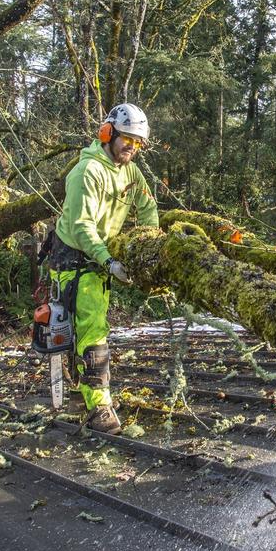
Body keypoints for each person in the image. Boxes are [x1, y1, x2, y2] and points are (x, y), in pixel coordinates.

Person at [53, 103, 159, 433]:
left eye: (137, 142)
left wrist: (151, 244)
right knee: (92, 331)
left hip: (98, 260)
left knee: (86, 330)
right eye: (127, 138)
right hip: (76, 261)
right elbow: (83, 226)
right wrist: (109, 261)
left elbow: (148, 207)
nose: (131, 146)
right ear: (109, 133)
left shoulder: (130, 172)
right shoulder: (88, 172)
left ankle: (81, 384)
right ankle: (99, 408)